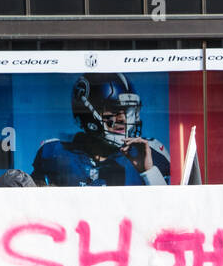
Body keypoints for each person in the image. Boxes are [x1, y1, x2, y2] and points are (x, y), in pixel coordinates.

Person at [32, 73, 170, 187]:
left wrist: (149, 171)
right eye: (114, 110)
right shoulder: (55, 151)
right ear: (88, 115)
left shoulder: (149, 153)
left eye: (127, 111)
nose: (122, 118)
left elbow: (171, 211)